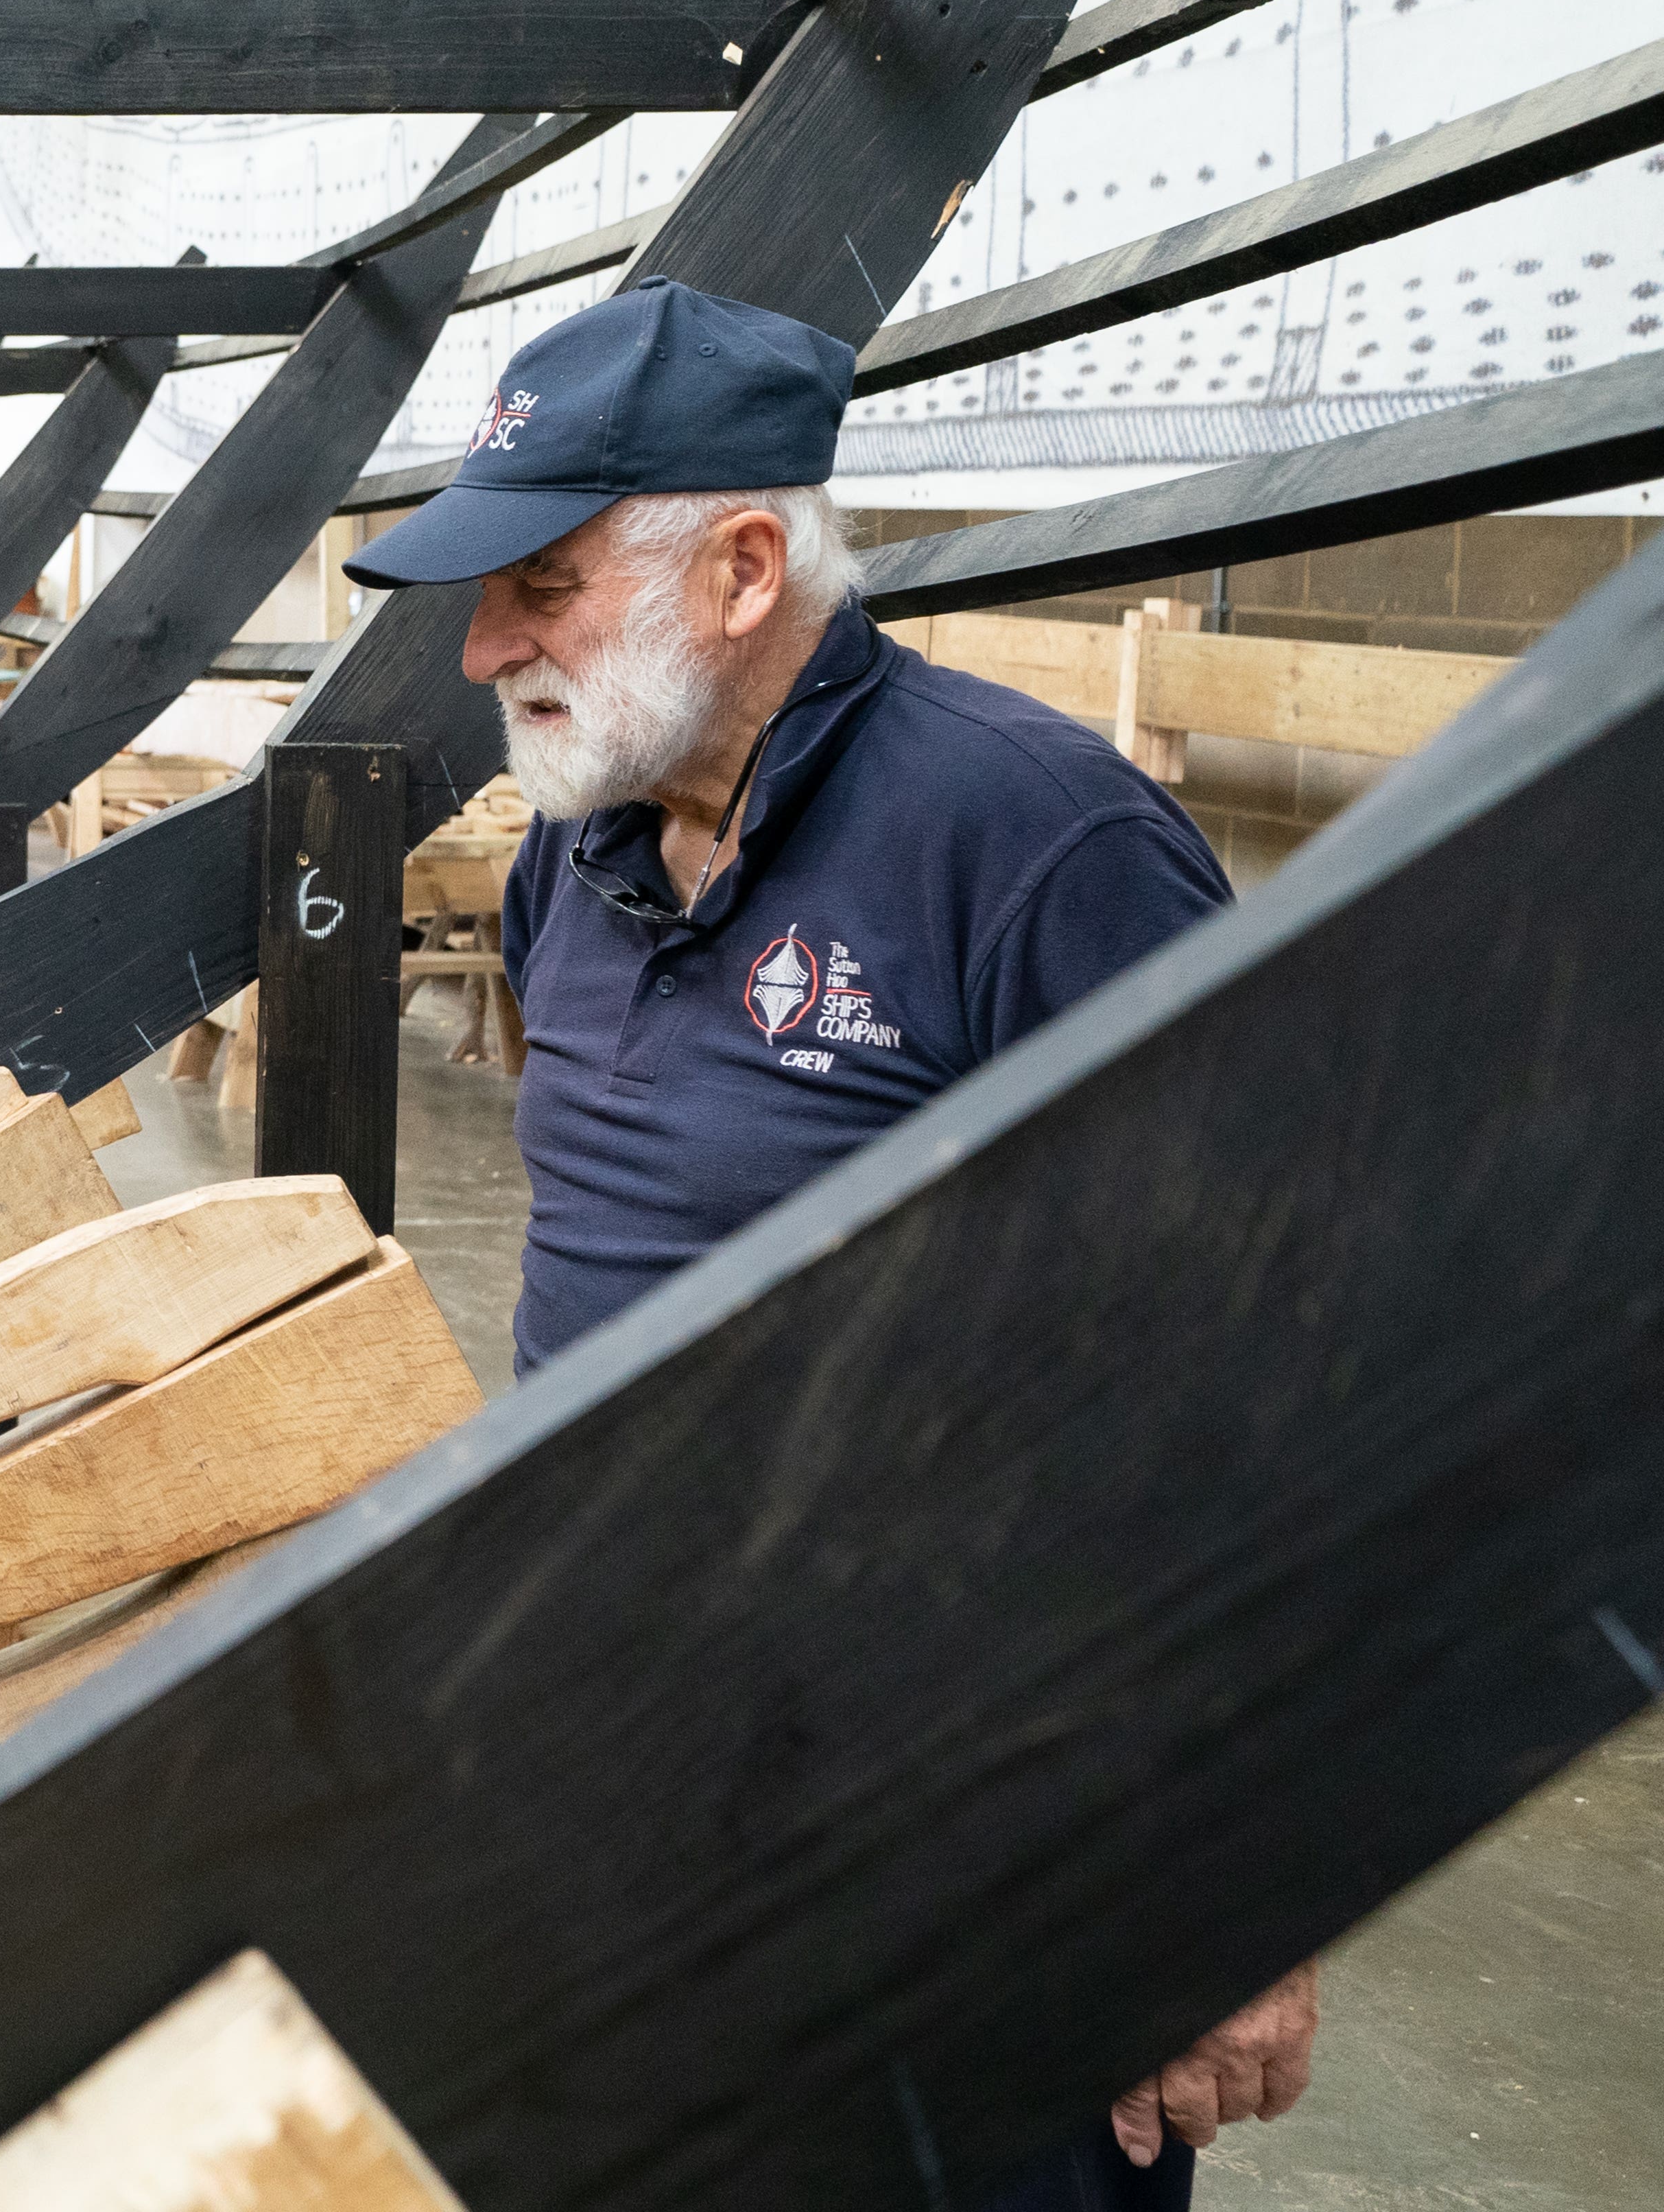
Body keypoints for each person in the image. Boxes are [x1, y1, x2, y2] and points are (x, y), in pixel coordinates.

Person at [339, 278, 1315, 2209]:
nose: (483, 652)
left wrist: (1237, 1889)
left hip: (972, 1827)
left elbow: (1271, 1366)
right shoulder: (581, 854)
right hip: (642, 1782)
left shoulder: (1032, 850)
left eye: (537, 588)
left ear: (743, 565)